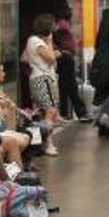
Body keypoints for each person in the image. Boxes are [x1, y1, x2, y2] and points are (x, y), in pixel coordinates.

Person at [24, 14, 64, 154]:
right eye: (53, 25)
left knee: (40, 113)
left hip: (38, 78)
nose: (55, 28)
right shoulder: (37, 41)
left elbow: (24, 57)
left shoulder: (32, 40)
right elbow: (51, 58)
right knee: (50, 111)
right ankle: (48, 144)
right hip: (43, 79)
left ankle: (37, 145)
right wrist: (50, 42)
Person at [54, 6, 90, 122]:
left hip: (66, 59)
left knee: (65, 87)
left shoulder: (62, 27)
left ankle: (65, 113)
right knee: (71, 87)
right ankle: (80, 112)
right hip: (65, 60)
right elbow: (67, 44)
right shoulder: (61, 27)